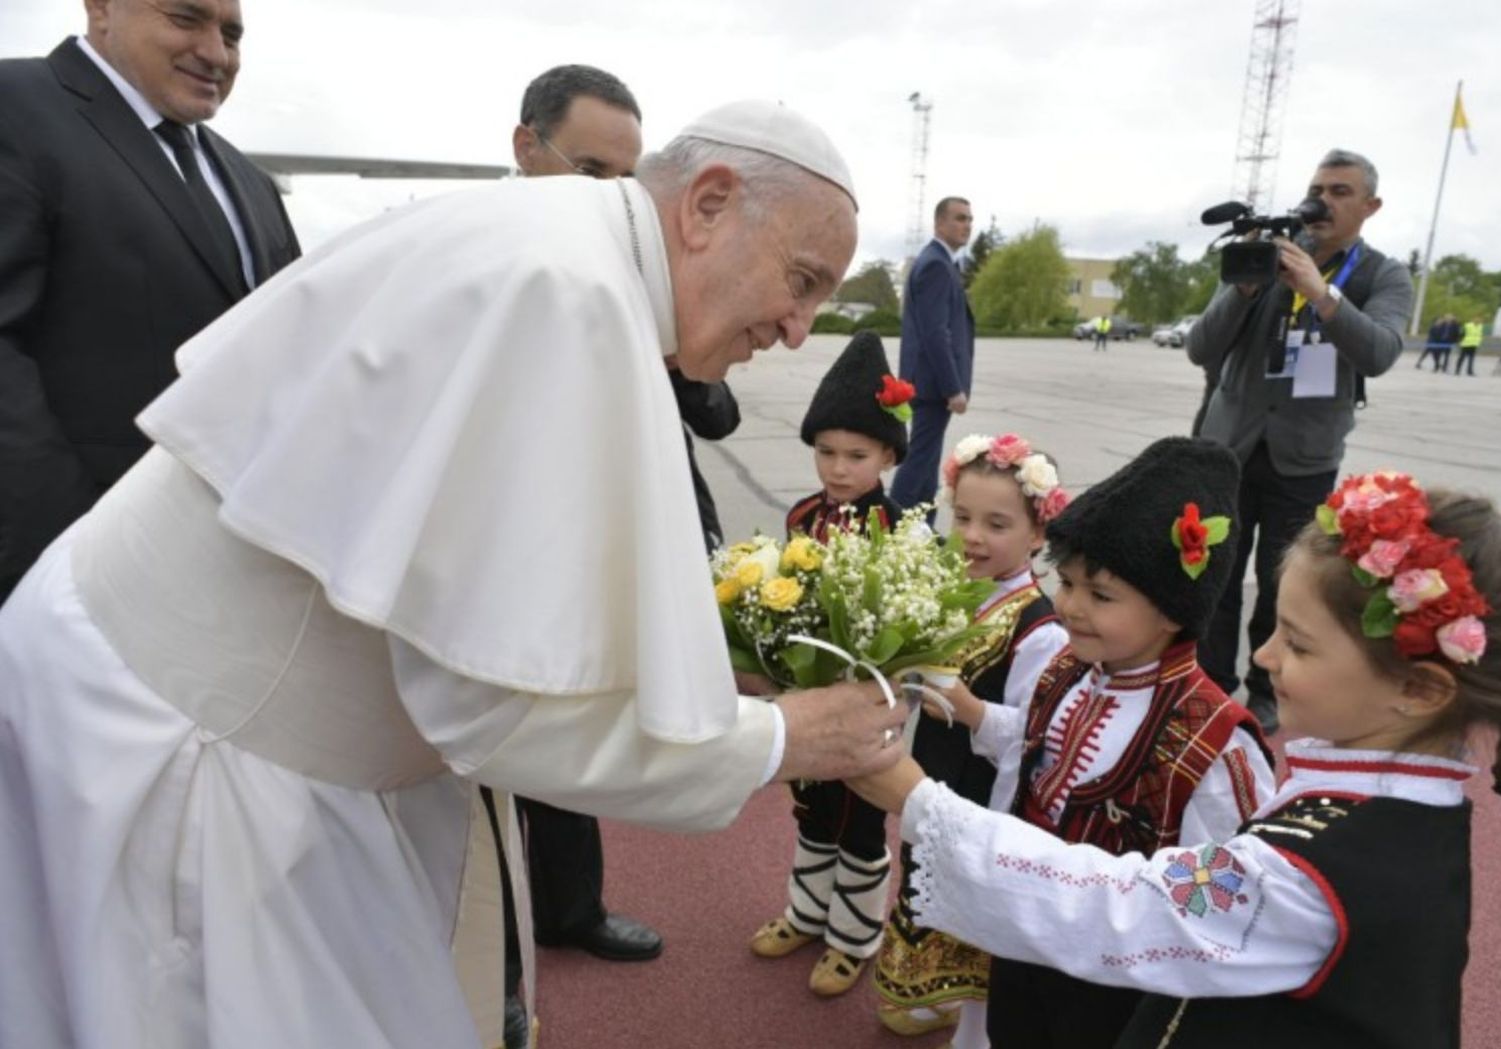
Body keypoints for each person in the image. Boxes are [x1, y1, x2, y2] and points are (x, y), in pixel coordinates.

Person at [0, 100, 911, 1049]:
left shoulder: (566, 250)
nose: (801, 329)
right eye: (801, 281)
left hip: (205, 708)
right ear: (710, 203)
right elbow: (495, 708)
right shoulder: (569, 293)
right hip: (198, 755)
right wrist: (774, 742)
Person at [850, 471, 1501, 1049]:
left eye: (1297, 644)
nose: (1263, 655)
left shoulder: (1317, 875)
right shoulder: (1382, 807)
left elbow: (1120, 904)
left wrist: (916, 799)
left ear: (1420, 688)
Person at [879, 436, 1274, 1048]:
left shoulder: (1214, 742)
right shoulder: (1069, 671)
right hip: (1023, 933)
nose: (1069, 607)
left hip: (1116, 976)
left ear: (1173, 610)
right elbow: (1033, 749)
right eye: (1066, 584)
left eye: (1101, 595)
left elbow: (1222, 896)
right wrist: (978, 715)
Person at [0, 0, 300, 603]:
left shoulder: (249, 183)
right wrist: (71, 557)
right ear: (102, 9)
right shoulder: (14, 106)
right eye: (186, 20)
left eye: (232, 35)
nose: (216, 53)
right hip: (60, 578)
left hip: (216, 583)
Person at [508, 62, 670, 971]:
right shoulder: (474, 257)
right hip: (488, 555)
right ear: (527, 147)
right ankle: (481, 952)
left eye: (625, 179)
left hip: (579, 549)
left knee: (567, 735)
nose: (613, 198)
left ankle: (572, 907)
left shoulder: (625, 267)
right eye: (593, 172)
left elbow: (711, 413)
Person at [1188, 148, 1413, 734]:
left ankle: (1267, 687)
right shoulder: (1266, 257)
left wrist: (1321, 294)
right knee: (1218, 571)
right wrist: (1242, 289)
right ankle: (1211, 682)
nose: (1324, 201)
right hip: (1230, 446)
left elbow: (1380, 351)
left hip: (1304, 456)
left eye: (1340, 191)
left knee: (1285, 580)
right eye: (1318, 188)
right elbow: (1200, 348)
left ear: (1370, 206)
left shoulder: (1381, 274)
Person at [872, 432, 1069, 1043]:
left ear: (1038, 534)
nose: (973, 536)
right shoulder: (953, 594)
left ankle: (973, 1019)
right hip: (935, 771)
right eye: (961, 517)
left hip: (984, 792)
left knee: (972, 900)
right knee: (924, 871)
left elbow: (1036, 737)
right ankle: (935, 994)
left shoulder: (1041, 629)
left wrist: (969, 708)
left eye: (996, 523)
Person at [751, 330, 907, 997]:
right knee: (811, 809)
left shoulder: (898, 529)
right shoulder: (802, 515)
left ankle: (853, 937)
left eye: (856, 454)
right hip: (807, 694)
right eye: (825, 452)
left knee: (862, 821)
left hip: (865, 704)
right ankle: (807, 912)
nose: (838, 468)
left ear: (888, 456)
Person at [890, 196, 976, 519]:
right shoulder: (936, 265)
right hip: (933, 385)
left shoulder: (940, 262)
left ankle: (922, 529)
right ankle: (887, 530)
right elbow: (935, 334)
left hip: (929, 384)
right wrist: (953, 387)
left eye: (969, 219)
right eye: (959, 218)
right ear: (939, 223)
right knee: (918, 463)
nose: (966, 225)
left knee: (926, 466)